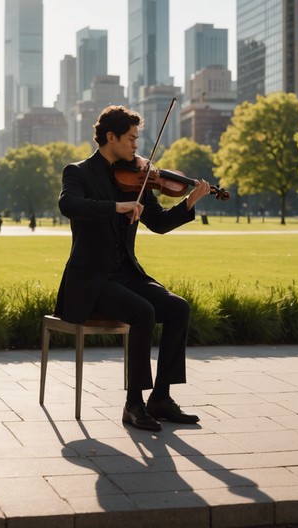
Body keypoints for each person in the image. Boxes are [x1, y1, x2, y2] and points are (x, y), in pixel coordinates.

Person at [55, 105, 212, 432]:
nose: (136, 146)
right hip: (91, 282)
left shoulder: (140, 175)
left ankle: (161, 397)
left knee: (177, 308)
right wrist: (117, 206)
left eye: (137, 139)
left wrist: (189, 202)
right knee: (143, 312)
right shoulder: (79, 172)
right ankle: (133, 404)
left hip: (126, 274)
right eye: (130, 139)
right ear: (110, 137)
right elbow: (69, 205)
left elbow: (158, 223)